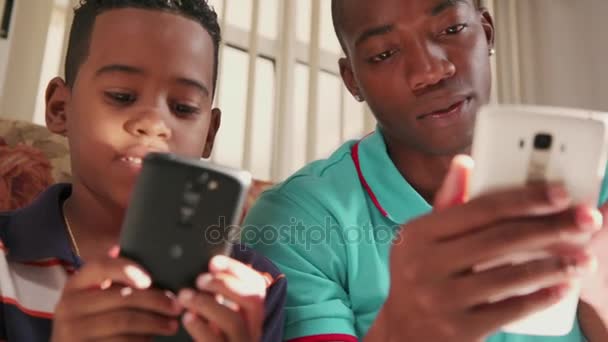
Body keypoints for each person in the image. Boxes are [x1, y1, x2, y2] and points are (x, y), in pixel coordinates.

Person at [242, 0, 608, 341]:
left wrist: (598, 308)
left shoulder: (594, 182)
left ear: (487, 32)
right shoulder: (297, 222)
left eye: (451, 30)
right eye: (384, 53)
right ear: (352, 79)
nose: (430, 71)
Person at [0, 1, 286, 341]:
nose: (153, 124)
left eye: (183, 108)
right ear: (60, 108)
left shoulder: (251, 289)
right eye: (121, 96)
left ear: (209, 134)